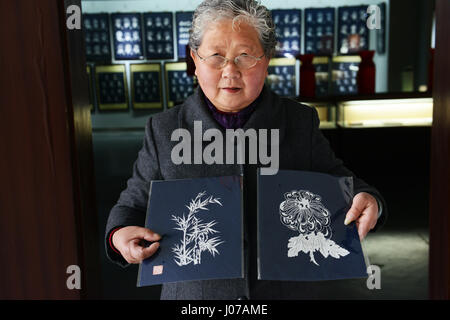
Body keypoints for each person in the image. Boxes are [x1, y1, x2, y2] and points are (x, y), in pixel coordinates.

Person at [105, 0, 387, 299]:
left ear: (266, 60)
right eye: (215, 56)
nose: (230, 70)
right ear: (194, 60)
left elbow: (341, 182)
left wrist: (370, 200)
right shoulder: (164, 130)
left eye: (245, 56)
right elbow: (131, 205)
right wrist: (119, 234)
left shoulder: (298, 122)